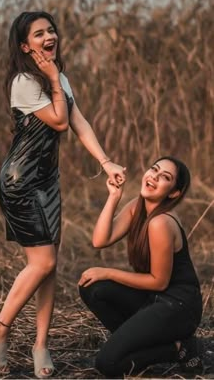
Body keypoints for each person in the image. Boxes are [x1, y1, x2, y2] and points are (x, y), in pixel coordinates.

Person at [0, 11, 126, 378]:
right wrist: (52, 80)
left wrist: (106, 162)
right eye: (39, 33)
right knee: (40, 263)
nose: (50, 36)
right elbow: (59, 120)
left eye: (51, 29)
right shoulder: (25, 81)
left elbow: (78, 122)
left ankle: (41, 344)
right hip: (20, 181)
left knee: (50, 266)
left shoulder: (56, 77)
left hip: (48, 182)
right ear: (25, 45)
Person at [79, 156, 203, 378]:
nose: (154, 176)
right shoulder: (136, 207)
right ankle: (138, 346)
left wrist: (107, 271)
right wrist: (114, 196)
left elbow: (159, 281)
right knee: (92, 287)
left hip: (178, 306)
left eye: (165, 177)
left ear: (173, 192)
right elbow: (99, 240)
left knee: (108, 363)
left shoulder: (161, 223)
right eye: (153, 169)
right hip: (153, 299)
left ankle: (178, 349)